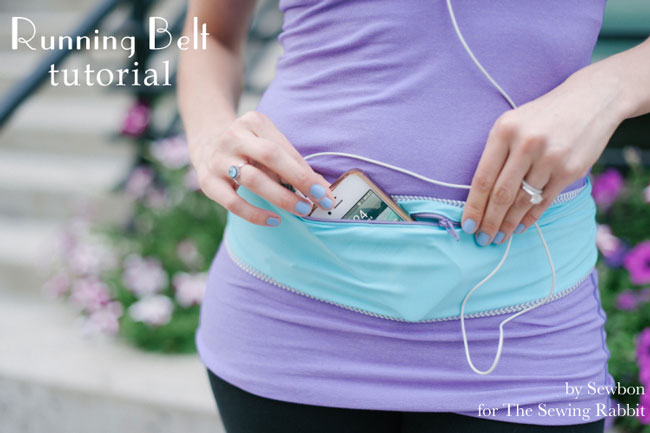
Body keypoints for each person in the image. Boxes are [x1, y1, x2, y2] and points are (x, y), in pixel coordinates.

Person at [177, 0, 650, 432]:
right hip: (286, 304)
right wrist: (208, 135)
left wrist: (610, 88)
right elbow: (210, 35)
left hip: (524, 318)